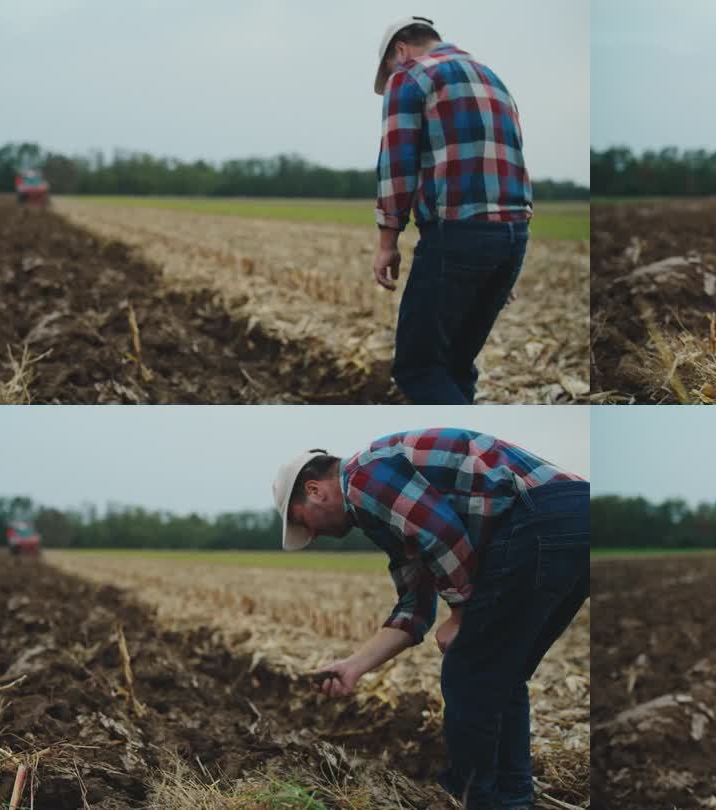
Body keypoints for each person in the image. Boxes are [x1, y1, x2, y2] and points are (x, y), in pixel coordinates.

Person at [271, 428, 588, 810]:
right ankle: (512, 800)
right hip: (579, 519)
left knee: (469, 671)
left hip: (542, 517)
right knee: (502, 670)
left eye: (301, 521)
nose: (313, 535)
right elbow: (414, 607)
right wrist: (354, 666)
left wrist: (461, 610)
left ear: (315, 490)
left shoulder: (365, 475)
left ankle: (477, 801)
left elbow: (442, 534)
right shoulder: (380, 509)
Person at [370, 17, 533, 404]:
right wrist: (499, 256)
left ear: (400, 50)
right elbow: (513, 159)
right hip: (511, 237)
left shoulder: (410, 76)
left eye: (391, 66)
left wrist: (387, 240)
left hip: (457, 235)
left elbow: (397, 163)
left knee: (418, 368)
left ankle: (464, 450)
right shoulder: (493, 78)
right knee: (457, 366)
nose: (393, 73)